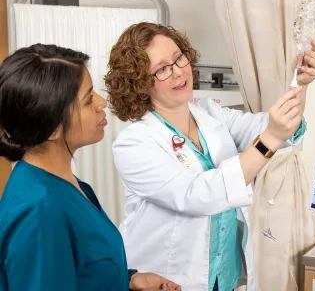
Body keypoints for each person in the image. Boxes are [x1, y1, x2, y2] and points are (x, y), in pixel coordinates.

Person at [104, 22, 315, 290]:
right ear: (139, 83)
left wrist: (300, 85)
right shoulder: (133, 144)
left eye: (179, 58)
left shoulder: (210, 115)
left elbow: (276, 127)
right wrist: (271, 139)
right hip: (169, 279)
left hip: (223, 277)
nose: (178, 72)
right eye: (162, 69)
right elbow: (198, 195)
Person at [0, 44, 182, 291]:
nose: (102, 102)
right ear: (52, 127)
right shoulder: (39, 209)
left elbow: (79, 269)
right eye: (88, 100)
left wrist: (126, 281)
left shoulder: (66, 184)